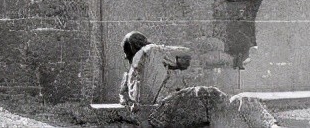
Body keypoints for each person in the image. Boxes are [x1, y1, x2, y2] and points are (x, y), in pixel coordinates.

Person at [118, 31, 280, 128]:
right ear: (143, 42)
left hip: (152, 117)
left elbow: (124, 98)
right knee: (214, 95)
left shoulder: (129, 74)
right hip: (163, 111)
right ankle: (270, 125)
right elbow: (186, 54)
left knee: (226, 103)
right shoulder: (151, 50)